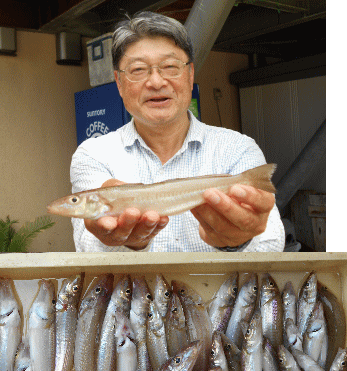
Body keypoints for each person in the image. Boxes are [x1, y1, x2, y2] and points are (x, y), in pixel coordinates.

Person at [70, 10, 285, 253]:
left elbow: (272, 243)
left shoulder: (238, 148)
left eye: (170, 66)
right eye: (138, 69)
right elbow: (87, 249)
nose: (156, 82)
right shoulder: (93, 154)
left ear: (190, 74)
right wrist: (129, 243)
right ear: (119, 83)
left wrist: (239, 242)